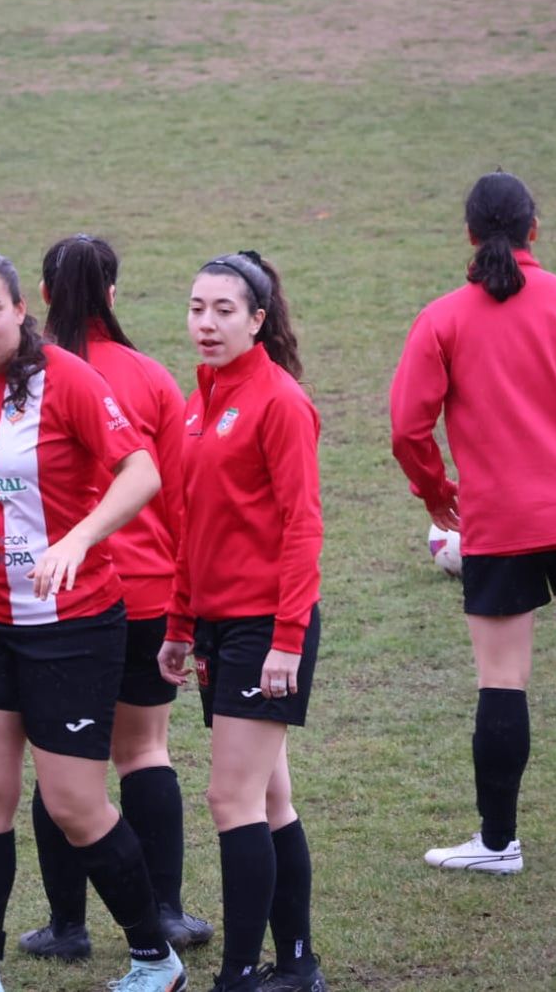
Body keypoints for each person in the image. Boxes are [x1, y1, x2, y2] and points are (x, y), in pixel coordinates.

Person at [0, 250, 181, 992]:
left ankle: (157, 956)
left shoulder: (67, 379)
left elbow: (143, 471)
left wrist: (79, 538)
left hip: (75, 622)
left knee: (75, 805)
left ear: (22, 310)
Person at [389, 171, 556, 874]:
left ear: (470, 236)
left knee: (502, 678)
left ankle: (499, 842)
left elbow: (406, 426)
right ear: (534, 228)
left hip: (501, 524)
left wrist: (435, 489)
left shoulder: (443, 317)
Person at [17, 235, 212, 964]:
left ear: (37, 296)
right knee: (144, 751)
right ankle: (163, 911)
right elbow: (183, 498)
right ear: (114, 294)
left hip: (57, 599)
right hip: (148, 594)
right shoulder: (156, 381)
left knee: (63, 762)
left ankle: (67, 924)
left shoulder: (26, 380)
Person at [156, 251, 326, 992]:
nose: (206, 322)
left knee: (231, 798)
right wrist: (179, 621)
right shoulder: (199, 401)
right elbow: (193, 524)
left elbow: (302, 526)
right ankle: (295, 966)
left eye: (224, 310)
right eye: (197, 307)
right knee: (268, 797)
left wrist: (287, 638)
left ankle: (237, 977)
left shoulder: (280, 402)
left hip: (267, 625)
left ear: (258, 319)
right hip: (220, 627)